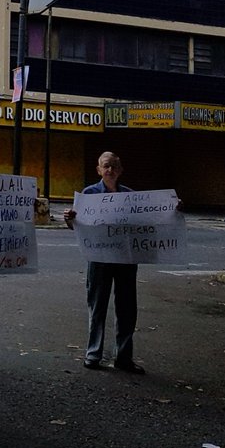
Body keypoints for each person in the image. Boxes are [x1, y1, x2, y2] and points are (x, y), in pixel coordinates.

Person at [64, 151, 147, 375]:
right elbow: (77, 228)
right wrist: (69, 219)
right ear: (98, 170)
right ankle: (93, 353)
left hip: (125, 259)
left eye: (113, 166)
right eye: (105, 166)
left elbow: (146, 222)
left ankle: (124, 357)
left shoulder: (130, 196)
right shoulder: (88, 194)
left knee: (127, 308)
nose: (109, 170)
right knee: (97, 305)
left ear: (120, 170)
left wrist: (172, 209)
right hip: (99, 259)